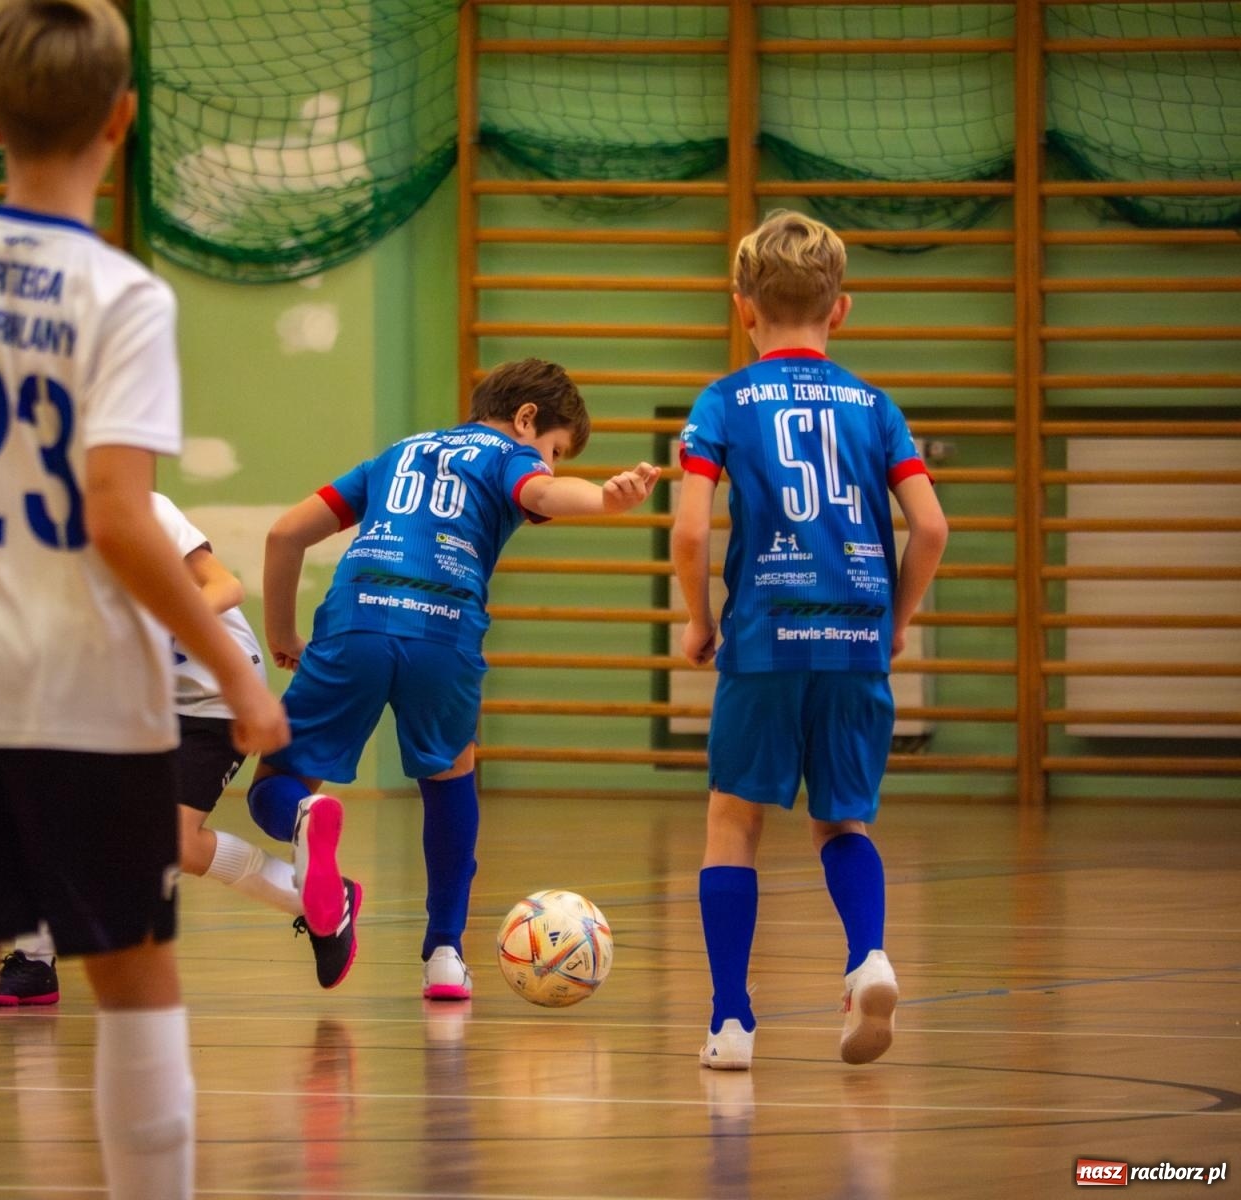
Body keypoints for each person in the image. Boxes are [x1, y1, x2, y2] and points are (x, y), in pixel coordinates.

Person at [0, 2, 288, 1197]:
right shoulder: (124, 295)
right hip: (90, 693)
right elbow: (115, 510)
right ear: (123, 122)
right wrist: (236, 669)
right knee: (132, 967)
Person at [247, 357, 661, 1000]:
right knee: (449, 778)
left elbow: (284, 534)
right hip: (444, 629)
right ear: (525, 421)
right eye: (552, 449)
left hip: (356, 619)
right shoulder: (506, 455)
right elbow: (543, 494)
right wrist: (605, 498)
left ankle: (304, 814)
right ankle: (444, 953)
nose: (548, 463)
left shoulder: (398, 453)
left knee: (273, 786)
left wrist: (281, 635)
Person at [669, 209, 948, 1071]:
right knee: (843, 822)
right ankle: (868, 956)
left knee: (733, 821)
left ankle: (731, 1022)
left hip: (766, 637)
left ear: (743, 307)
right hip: (857, 636)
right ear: (842, 310)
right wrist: (895, 621)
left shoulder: (723, 400)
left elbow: (688, 533)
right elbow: (931, 528)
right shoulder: (875, 406)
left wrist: (701, 620)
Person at [0, 493, 357, 1005]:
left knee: (173, 843)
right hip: (134, 698)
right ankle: (34, 961)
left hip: (213, 692)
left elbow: (224, 586)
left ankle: (317, 899)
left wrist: (147, 623)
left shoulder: (141, 509)